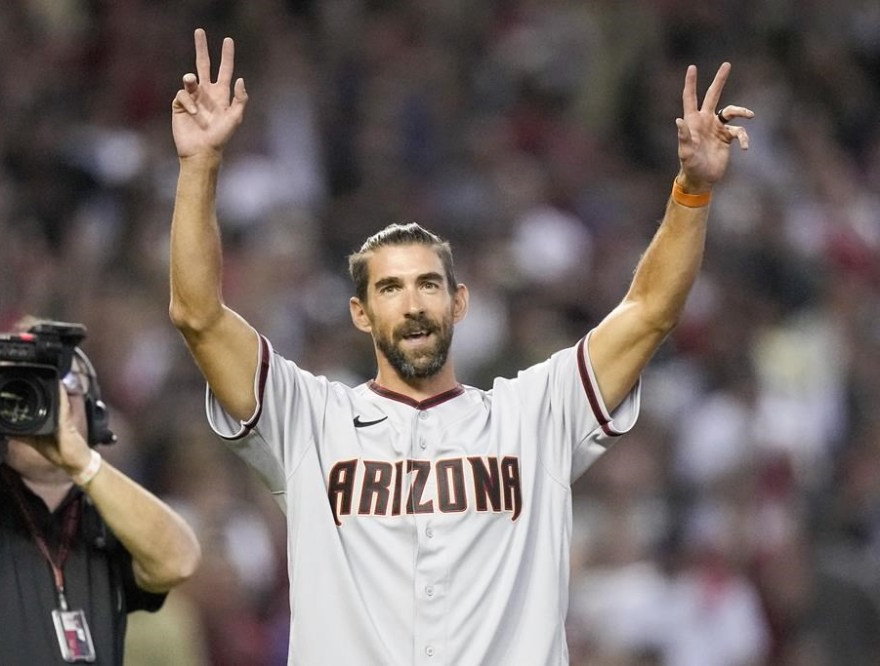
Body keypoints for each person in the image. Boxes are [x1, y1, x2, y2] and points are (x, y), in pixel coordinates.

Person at [168, 28, 753, 664]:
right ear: (360, 314)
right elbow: (197, 315)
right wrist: (200, 167)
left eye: (428, 285)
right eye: (390, 288)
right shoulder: (308, 419)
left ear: (460, 303)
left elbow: (649, 313)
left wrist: (691, 192)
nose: (414, 303)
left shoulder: (534, 416)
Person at [0, 327, 201, 664]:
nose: (44, 397)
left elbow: (178, 563)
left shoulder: (109, 512)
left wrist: (83, 464)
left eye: (65, 383)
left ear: (94, 414)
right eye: (18, 384)